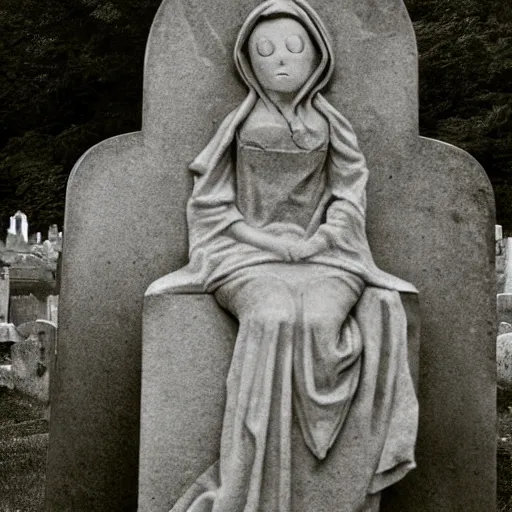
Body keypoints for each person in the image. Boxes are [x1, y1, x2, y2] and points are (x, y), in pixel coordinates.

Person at [147, 1, 419, 510]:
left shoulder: (332, 125)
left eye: (294, 48)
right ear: (248, 61)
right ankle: (251, 481)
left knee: (320, 321)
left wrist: (320, 240)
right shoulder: (238, 125)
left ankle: (325, 485)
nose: (280, 61)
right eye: (265, 50)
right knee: (270, 316)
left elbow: (348, 193)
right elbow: (211, 204)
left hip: (329, 256)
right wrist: (270, 244)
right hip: (243, 256)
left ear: (317, 55)